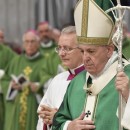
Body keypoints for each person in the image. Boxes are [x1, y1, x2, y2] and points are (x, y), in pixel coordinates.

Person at [52, 0, 130, 130]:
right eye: (82, 51)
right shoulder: (76, 82)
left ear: (109, 50)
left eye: (91, 51)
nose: (85, 58)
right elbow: (58, 122)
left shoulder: (126, 76)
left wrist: (128, 95)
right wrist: (69, 126)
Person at [37, 26, 84, 130]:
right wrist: (46, 118)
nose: (62, 53)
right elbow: (42, 112)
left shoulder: (91, 79)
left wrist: (58, 117)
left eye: (67, 48)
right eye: (59, 48)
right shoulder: (57, 79)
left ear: (82, 49)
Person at [1, 30, 47, 130]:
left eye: (32, 41)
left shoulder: (45, 61)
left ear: (38, 43)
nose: (29, 45)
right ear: (23, 44)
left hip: (33, 106)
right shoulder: (15, 61)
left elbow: (49, 83)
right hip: (16, 107)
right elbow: (4, 80)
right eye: (26, 41)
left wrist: (37, 85)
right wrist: (11, 85)